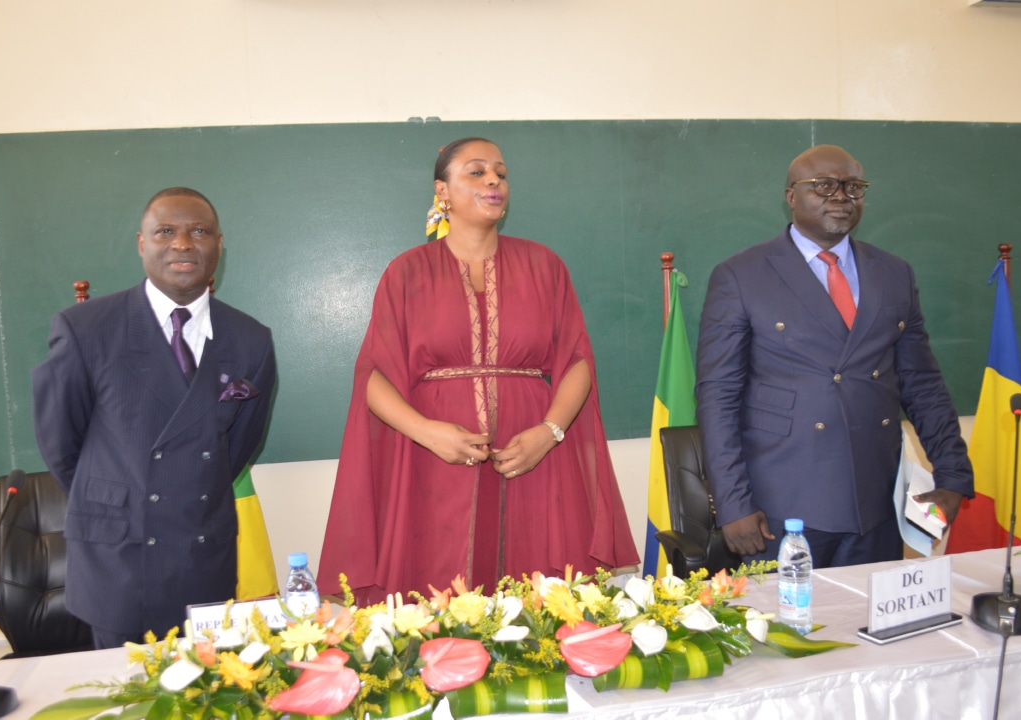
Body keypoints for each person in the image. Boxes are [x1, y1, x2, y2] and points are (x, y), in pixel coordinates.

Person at [318, 137, 638, 604]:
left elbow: (577, 362)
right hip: (432, 464)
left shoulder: (545, 266)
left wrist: (548, 433)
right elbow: (373, 377)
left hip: (532, 460)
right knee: (435, 604)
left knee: (539, 608)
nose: (494, 180)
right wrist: (428, 433)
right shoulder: (406, 272)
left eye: (501, 173)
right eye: (476, 171)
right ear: (441, 191)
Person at [695, 144, 974, 568]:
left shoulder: (894, 273)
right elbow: (718, 397)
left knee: (870, 612)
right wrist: (733, 504)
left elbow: (923, 384)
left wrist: (953, 475)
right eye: (823, 186)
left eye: (853, 187)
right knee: (786, 614)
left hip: (876, 502)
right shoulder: (741, 276)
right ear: (791, 196)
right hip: (780, 506)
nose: (841, 196)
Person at [32, 187, 277, 648]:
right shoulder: (85, 329)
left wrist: (186, 491)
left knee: (208, 684)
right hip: (120, 559)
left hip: (204, 553)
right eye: (165, 231)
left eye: (198, 231)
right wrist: (127, 494)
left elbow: (240, 444)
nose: (182, 243)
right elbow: (61, 445)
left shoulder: (251, 339)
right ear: (142, 243)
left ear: (218, 245)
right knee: (128, 689)